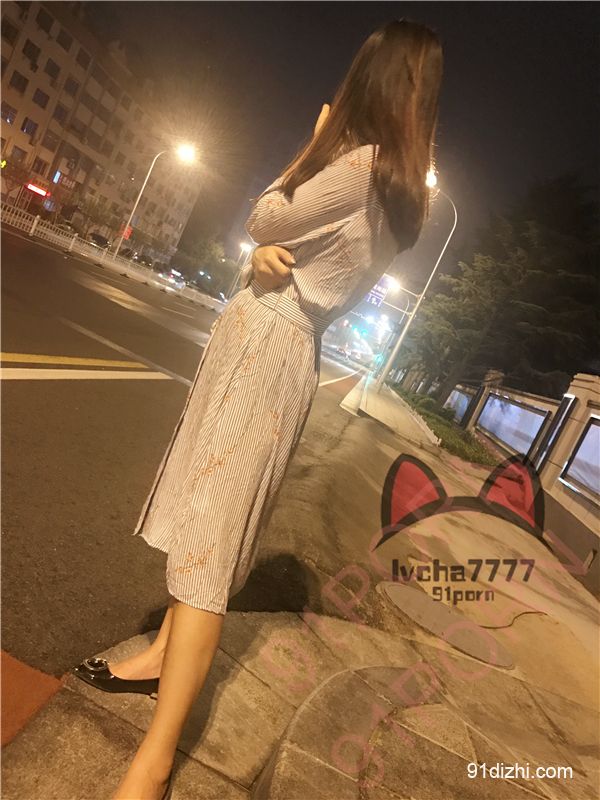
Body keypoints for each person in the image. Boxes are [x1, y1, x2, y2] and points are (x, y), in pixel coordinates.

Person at [72, 18, 443, 800]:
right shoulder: (404, 195)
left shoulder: (357, 165)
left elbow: (265, 216)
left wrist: (313, 145)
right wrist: (271, 265)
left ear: (372, 78)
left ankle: (155, 762)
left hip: (264, 346)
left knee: (208, 546)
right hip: (288, 348)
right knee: (211, 518)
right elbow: (308, 258)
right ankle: (156, 660)